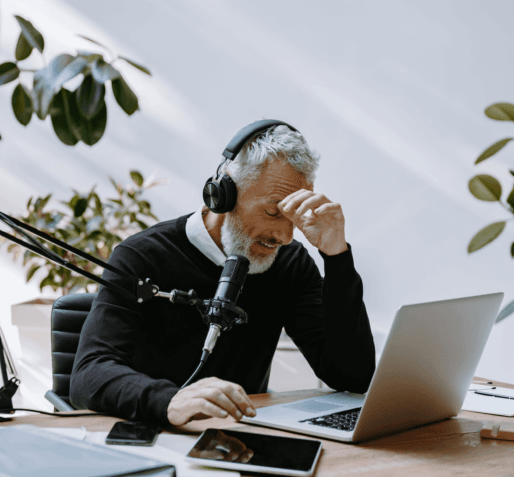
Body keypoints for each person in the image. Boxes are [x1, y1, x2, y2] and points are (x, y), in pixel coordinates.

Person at [70, 123, 376, 427]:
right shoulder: (142, 256)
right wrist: (170, 400)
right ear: (224, 195)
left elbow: (351, 375)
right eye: (273, 212)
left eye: (293, 216)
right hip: (155, 436)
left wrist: (337, 258)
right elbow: (89, 374)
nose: (285, 235)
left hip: (242, 440)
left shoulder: (290, 262)